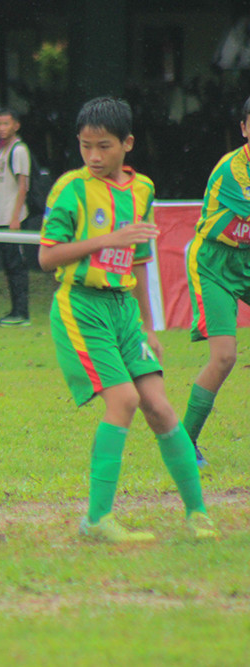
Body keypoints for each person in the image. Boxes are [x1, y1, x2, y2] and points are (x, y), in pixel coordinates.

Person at [38, 97, 219, 543]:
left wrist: (148, 325)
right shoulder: (70, 189)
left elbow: (139, 260)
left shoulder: (143, 191)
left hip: (124, 313)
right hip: (81, 307)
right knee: (123, 401)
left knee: (158, 406)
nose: (94, 157)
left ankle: (197, 513)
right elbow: (47, 257)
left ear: (128, 144)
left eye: (103, 146)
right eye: (85, 147)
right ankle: (96, 520)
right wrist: (107, 239)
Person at [181, 95, 250, 468]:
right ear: (243, 129)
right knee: (224, 357)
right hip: (216, 263)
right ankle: (184, 442)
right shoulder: (232, 171)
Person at [0, 108, 32, 327]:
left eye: (6, 123)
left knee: (17, 266)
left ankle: (22, 313)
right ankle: (14, 310)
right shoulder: (1, 150)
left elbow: (22, 186)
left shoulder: (19, 150)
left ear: (16, 125)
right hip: (2, 218)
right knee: (8, 265)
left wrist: (15, 218)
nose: (1, 128)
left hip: (13, 219)